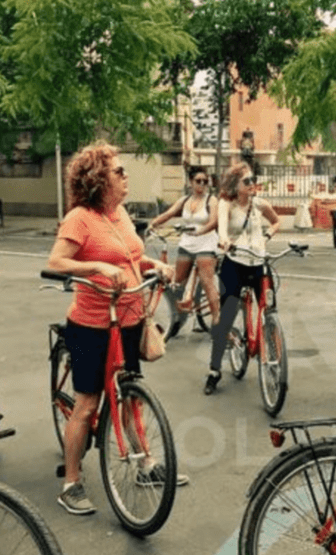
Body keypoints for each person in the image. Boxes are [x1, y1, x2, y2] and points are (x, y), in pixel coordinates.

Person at [46, 141, 185, 516]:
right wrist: (96, 269)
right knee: (87, 403)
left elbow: (132, 257)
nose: (125, 177)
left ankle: (144, 463)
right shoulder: (80, 218)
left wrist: (156, 266)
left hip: (128, 319)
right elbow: (57, 261)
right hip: (92, 324)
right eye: (118, 171)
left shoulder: (119, 213)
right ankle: (71, 482)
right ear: (98, 179)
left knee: (130, 395)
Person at [203, 163, 280, 395]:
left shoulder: (259, 204)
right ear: (235, 185)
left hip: (259, 263)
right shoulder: (227, 204)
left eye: (253, 180)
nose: (251, 184)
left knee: (270, 312)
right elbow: (223, 228)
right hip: (234, 263)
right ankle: (214, 370)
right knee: (225, 318)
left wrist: (267, 236)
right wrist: (224, 240)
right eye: (246, 181)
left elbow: (276, 221)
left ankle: (274, 360)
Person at [147, 166, 220, 330]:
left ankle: (217, 321)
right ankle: (178, 318)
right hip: (187, 244)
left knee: (207, 282)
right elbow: (168, 214)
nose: (202, 184)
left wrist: (201, 231)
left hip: (206, 243)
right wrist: (153, 224)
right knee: (177, 283)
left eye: (205, 181)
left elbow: (214, 221)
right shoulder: (185, 200)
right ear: (190, 182)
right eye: (198, 181)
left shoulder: (211, 200)